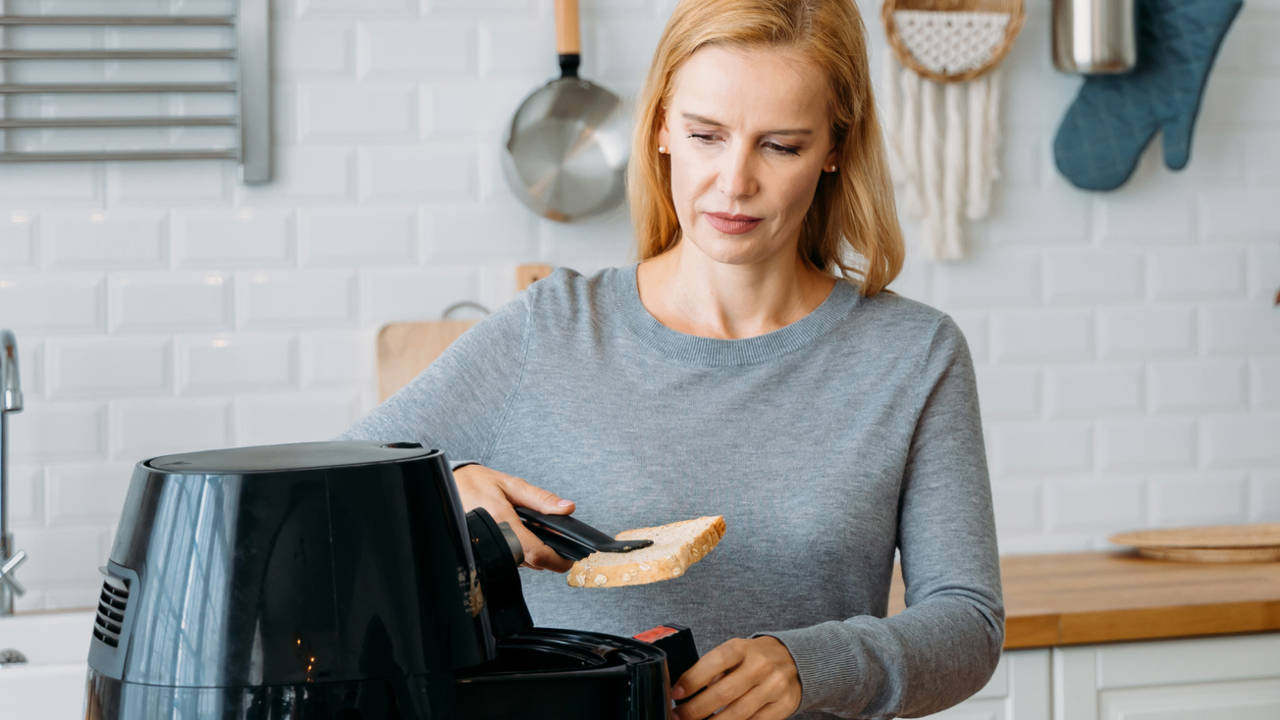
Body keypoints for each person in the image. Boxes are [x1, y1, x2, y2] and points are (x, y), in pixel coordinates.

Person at [341, 0, 1004, 717]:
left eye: (780, 145)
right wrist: (445, 492)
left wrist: (811, 664)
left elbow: (968, 623)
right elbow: (329, 492)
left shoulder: (912, 354)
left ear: (836, 147)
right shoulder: (553, 328)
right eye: (705, 135)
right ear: (661, 127)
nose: (734, 181)